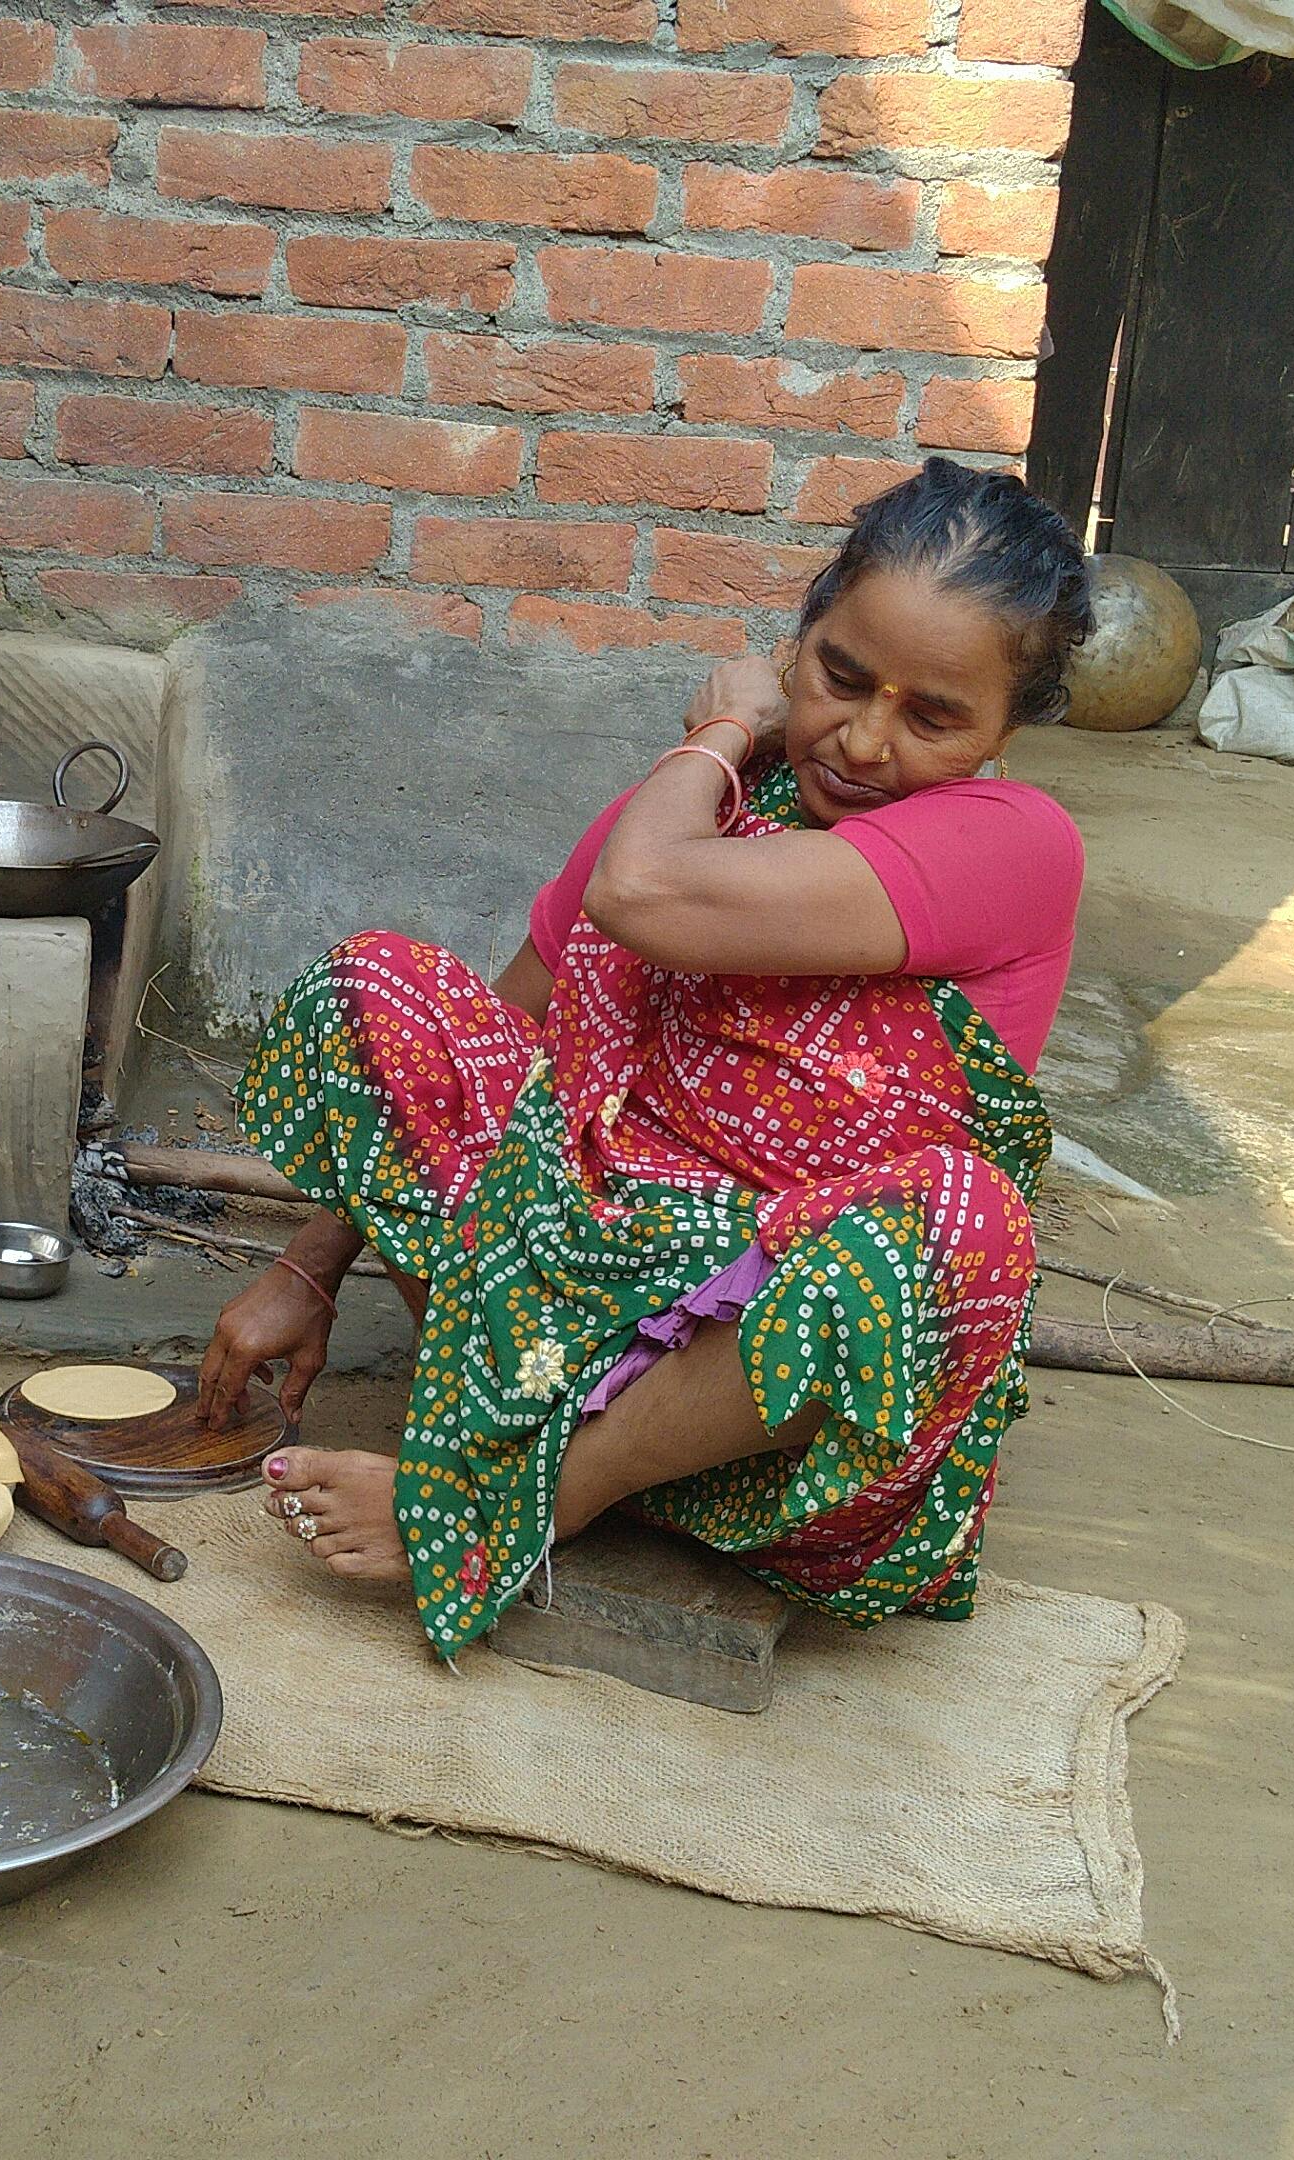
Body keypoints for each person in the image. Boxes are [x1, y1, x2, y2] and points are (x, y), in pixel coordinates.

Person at [193, 459, 1095, 1658]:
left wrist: (718, 726)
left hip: (766, 1428)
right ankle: (536, 1429)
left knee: (962, 1218)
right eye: (840, 676)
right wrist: (307, 1271)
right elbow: (506, 1026)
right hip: (554, 1323)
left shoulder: (1009, 844)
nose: (867, 739)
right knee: (383, 988)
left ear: (1004, 735)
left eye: (934, 717)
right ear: (800, 634)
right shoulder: (707, 804)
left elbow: (641, 888)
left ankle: (526, 1500)